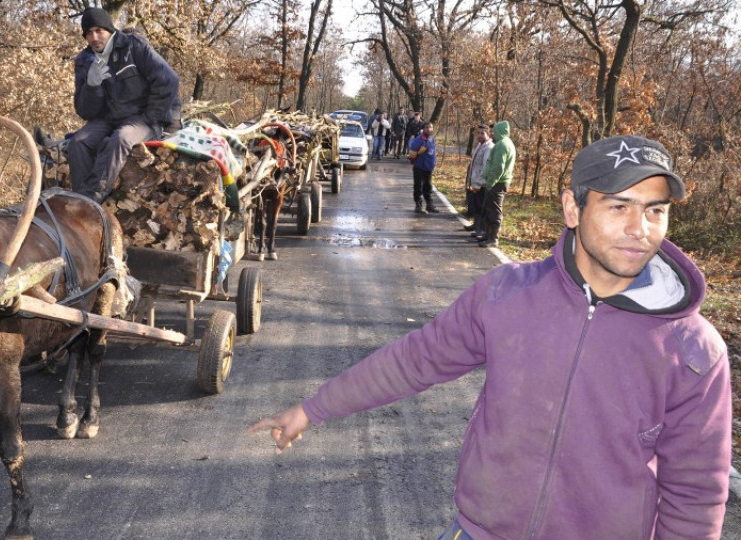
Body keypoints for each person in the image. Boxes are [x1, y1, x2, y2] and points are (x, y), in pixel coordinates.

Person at [249, 134, 731, 539]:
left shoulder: (693, 349)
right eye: (618, 205)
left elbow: (696, 491)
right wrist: (313, 408)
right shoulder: (506, 294)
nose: (639, 229)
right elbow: (415, 359)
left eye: (655, 211)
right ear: (572, 207)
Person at [67, 7, 181, 203]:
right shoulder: (84, 61)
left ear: (109, 30)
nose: (94, 38)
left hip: (143, 117)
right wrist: (91, 87)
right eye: (88, 33)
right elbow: (84, 111)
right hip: (108, 118)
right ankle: (80, 198)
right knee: (78, 142)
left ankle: (92, 199)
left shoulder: (134, 46)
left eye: (99, 31)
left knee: (122, 137)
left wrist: (151, 118)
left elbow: (168, 80)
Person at [475, 120, 515, 247]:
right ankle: (487, 234)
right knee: (488, 208)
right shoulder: (504, 143)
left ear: (499, 131)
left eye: (494, 131)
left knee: (494, 211)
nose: (492, 133)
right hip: (497, 182)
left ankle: (493, 238)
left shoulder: (503, 145)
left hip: (497, 183)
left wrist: (490, 182)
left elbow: (498, 167)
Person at [463, 125, 493, 236]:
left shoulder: (489, 148)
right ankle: (476, 224)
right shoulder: (480, 145)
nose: (479, 135)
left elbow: (486, 167)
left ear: (488, 134)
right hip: (474, 180)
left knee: (481, 205)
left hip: (481, 183)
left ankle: (481, 229)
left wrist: (480, 182)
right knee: (475, 204)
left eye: (482, 133)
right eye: (478, 133)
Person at [407, 122, 439, 213]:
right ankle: (418, 205)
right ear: (423, 129)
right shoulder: (419, 140)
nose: (429, 129)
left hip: (428, 168)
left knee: (428, 187)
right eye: (427, 127)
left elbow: (432, 153)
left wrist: (433, 164)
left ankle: (429, 205)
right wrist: (415, 161)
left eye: (431, 127)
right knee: (418, 187)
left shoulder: (431, 139)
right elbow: (412, 154)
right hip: (419, 168)